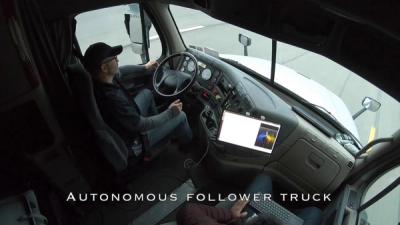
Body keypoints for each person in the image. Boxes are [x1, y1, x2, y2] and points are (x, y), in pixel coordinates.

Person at [83, 42, 192, 159]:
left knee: (147, 94)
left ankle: (160, 129)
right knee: (181, 116)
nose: (117, 60)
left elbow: (122, 71)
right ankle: (188, 147)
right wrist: (170, 113)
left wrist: (144, 67)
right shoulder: (112, 99)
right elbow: (141, 125)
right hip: (135, 142)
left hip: (129, 124)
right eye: (114, 58)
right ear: (104, 68)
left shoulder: (103, 81)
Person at [177, 175, 322, 225]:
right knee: (315, 212)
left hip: (238, 219)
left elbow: (188, 210)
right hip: (240, 219)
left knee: (264, 179)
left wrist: (230, 215)